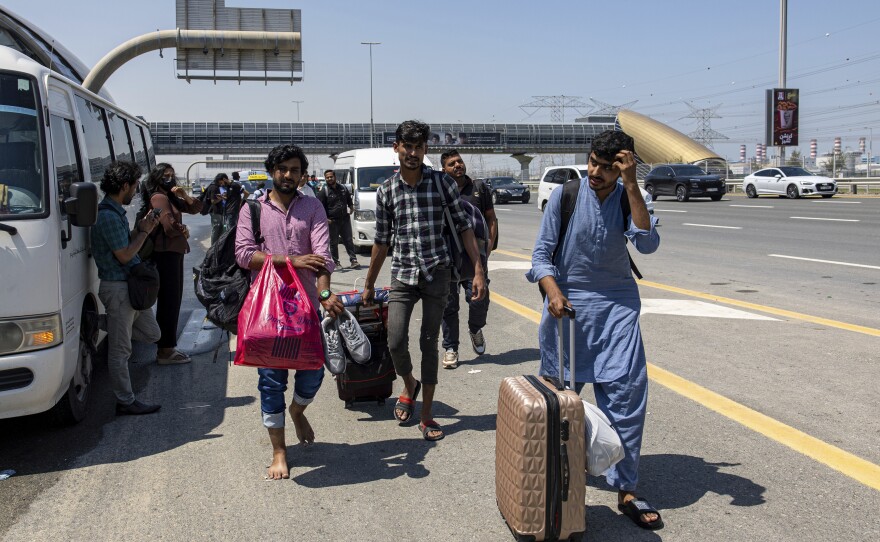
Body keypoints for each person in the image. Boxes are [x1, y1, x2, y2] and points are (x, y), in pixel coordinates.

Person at [526, 130, 663, 530]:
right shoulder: (565, 196)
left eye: (608, 167)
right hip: (565, 311)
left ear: (623, 166)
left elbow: (648, 242)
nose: (596, 172)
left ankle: (627, 490)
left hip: (617, 308)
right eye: (593, 163)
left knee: (627, 398)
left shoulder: (628, 195)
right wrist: (551, 291)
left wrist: (633, 185)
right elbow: (540, 255)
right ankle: (555, 483)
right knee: (559, 406)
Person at [363, 120, 486, 442]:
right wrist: (369, 283)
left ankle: (427, 413)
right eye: (407, 146)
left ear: (425, 149)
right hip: (402, 275)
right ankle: (409, 385)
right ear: (397, 148)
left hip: (437, 274)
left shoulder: (442, 183)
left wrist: (478, 271)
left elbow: (464, 228)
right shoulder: (387, 191)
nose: (413, 153)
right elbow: (381, 241)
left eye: (419, 147)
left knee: (428, 343)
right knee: (395, 341)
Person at [235, 144, 343, 480]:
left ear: (302, 174)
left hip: (307, 309)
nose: (288, 175)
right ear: (271, 170)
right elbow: (243, 254)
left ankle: (297, 411)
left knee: (313, 373)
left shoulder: (312, 206)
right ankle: (279, 452)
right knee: (271, 382)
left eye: (294, 169)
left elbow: (323, 256)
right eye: (282, 168)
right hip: (267, 312)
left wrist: (325, 292)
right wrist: (289, 260)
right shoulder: (252, 208)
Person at [90, 161, 162, 415]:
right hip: (119, 289)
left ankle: (99, 322)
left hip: (129, 289)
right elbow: (123, 255)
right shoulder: (108, 216)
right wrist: (144, 233)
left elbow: (125, 245)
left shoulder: (116, 212)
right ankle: (125, 401)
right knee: (120, 351)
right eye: (134, 185)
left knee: (152, 334)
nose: (136, 190)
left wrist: (141, 229)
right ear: (124, 186)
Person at [439, 150, 497, 369]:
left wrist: (488, 247)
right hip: (448, 257)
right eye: (451, 164)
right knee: (449, 305)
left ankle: (475, 328)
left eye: (460, 161)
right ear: (444, 169)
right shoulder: (441, 191)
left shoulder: (479, 188)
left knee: (479, 298)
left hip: (475, 256)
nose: (457, 165)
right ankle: (450, 348)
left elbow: (491, 218)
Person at [142, 163, 203, 364]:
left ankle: (167, 348)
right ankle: (165, 350)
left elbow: (197, 208)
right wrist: (183, 229)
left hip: (173, 253)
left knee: (173, 300)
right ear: (157, 178)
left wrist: (184, 195)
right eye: (165, 176)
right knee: (169, 301)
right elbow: (168, 226)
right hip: (165, 254)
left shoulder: (171, 197)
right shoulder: (159, 198)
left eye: (171, 175)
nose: (169, 179)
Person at [317, 170, 360, 269]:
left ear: (335, 177)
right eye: (327, 177)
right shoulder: (324, 191)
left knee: (348, 240)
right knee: (334, 242)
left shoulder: (343, 188)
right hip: (332, 221)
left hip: (345, 219)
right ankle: (336, 263)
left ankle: (353, 260)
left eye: (331, 177)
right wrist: (326, 219)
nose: (329, 179)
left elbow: (349, 199)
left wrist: (351, 206)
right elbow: (320, 207)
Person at [203, 172, 229, 245]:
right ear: (222, 179)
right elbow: (213, 201)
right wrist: (221, 198)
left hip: (217, 211)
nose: (224, 183)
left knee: (219, 229)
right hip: (215, 211)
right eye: (224, 181)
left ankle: (216, 246)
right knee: (216, 229)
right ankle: (213, 247)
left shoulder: (214, 186)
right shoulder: (214, 187)